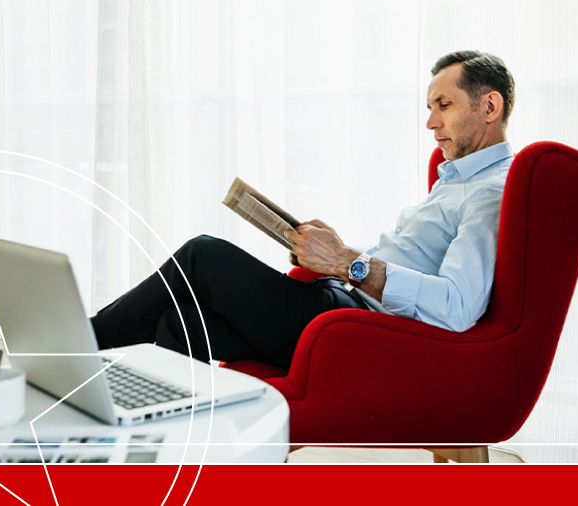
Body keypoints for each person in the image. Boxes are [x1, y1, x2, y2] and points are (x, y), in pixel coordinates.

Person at [90, 50, 516, 370]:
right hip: (340, 303)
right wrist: (333, 254)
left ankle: (80, 343)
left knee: (203, 256)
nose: (431, 123)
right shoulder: (455, 179)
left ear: (489, 107)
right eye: (430, 109)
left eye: (444, 105)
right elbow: (410, 261)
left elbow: (458, 308)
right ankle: (104, 423)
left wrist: (349, 263)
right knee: (177, 322)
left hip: (357, 330)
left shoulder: (489, 194)